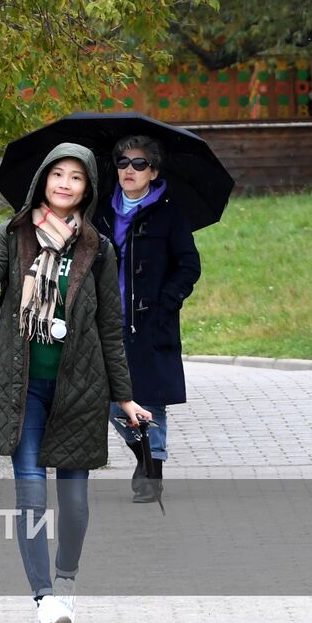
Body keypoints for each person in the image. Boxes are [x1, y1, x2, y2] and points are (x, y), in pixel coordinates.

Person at [0, 143, 151, 623]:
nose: (64, 183)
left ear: (87, 189)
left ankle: (66, 582)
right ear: (43, 180)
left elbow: (110, 329)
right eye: (57, 173)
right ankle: (43, 598)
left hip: (80, 387)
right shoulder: (14, 236)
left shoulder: (97, 249)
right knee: (31, 493)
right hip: (23, 385)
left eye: (76, 177)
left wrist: (125, 396)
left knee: (74, 503)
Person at [93, 136, 201, 504]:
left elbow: (189, 266)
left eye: (139, 164)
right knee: (110, 398)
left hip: (151, 323)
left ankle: (152, 474)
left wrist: (165, 304)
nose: (129, 170)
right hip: (105, 320)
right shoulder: (100, 212)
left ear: (153, 171)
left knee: (150, 399)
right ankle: (144, 457)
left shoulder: (169, 213)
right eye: (123, 163)